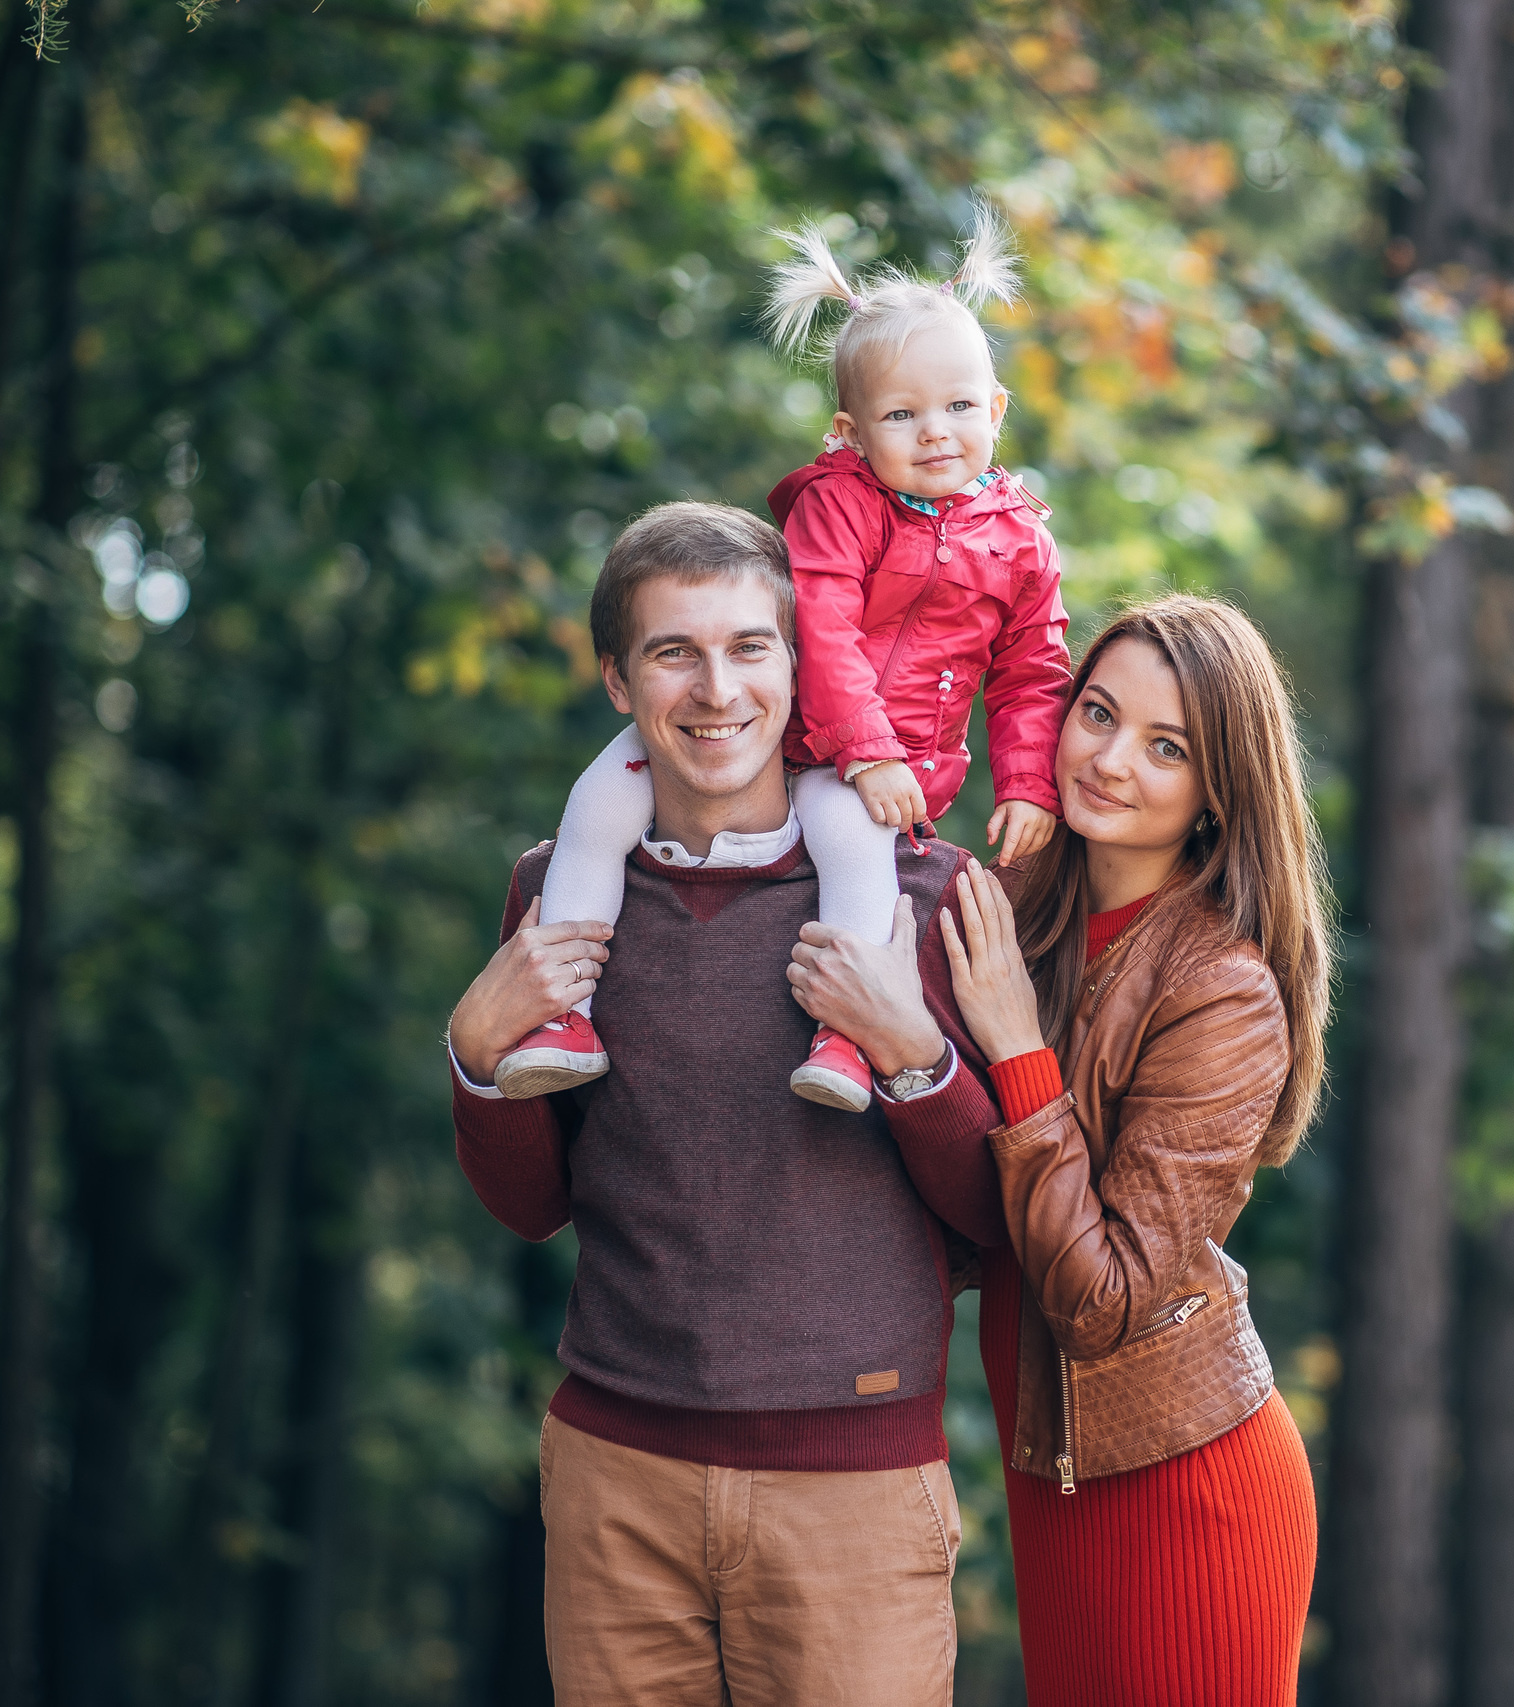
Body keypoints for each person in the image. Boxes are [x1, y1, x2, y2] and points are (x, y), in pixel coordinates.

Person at [445, 501, 1013, 1707]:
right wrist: (476, 1053)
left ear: (802, 666)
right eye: (674, 653)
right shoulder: (556, 895)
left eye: (751, 647)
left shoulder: (928, 893)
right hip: (615, 1478)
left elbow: (992, 1220)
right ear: (618, 681)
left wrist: (911, 1054)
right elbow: (532, 1205)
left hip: (854, 1490)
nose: (717, 691)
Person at [795, 593, 1331, 1705]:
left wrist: (1012, 1047)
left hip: (1186, 1486)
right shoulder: (1014, 912)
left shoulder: (1222, 991)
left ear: (1219, 791)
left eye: (1167, 746)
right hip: (1055, 1472)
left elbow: (1101, 1299)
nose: (1111, 760)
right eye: (1098, 713)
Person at [495, 206, 1075, 1114]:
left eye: (960, 406)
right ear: (851, 430)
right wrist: (868, 747)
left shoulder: (1022, 541)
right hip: (807, 734)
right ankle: (562, 1016)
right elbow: (825, 628)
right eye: (902, 414)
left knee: (855, 848)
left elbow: (1032, 669)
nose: (935, 431)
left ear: (996, 408)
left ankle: (847, 1033)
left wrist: (1029, 783)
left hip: (872, 769)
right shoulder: (839, 506)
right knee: (598, 805)